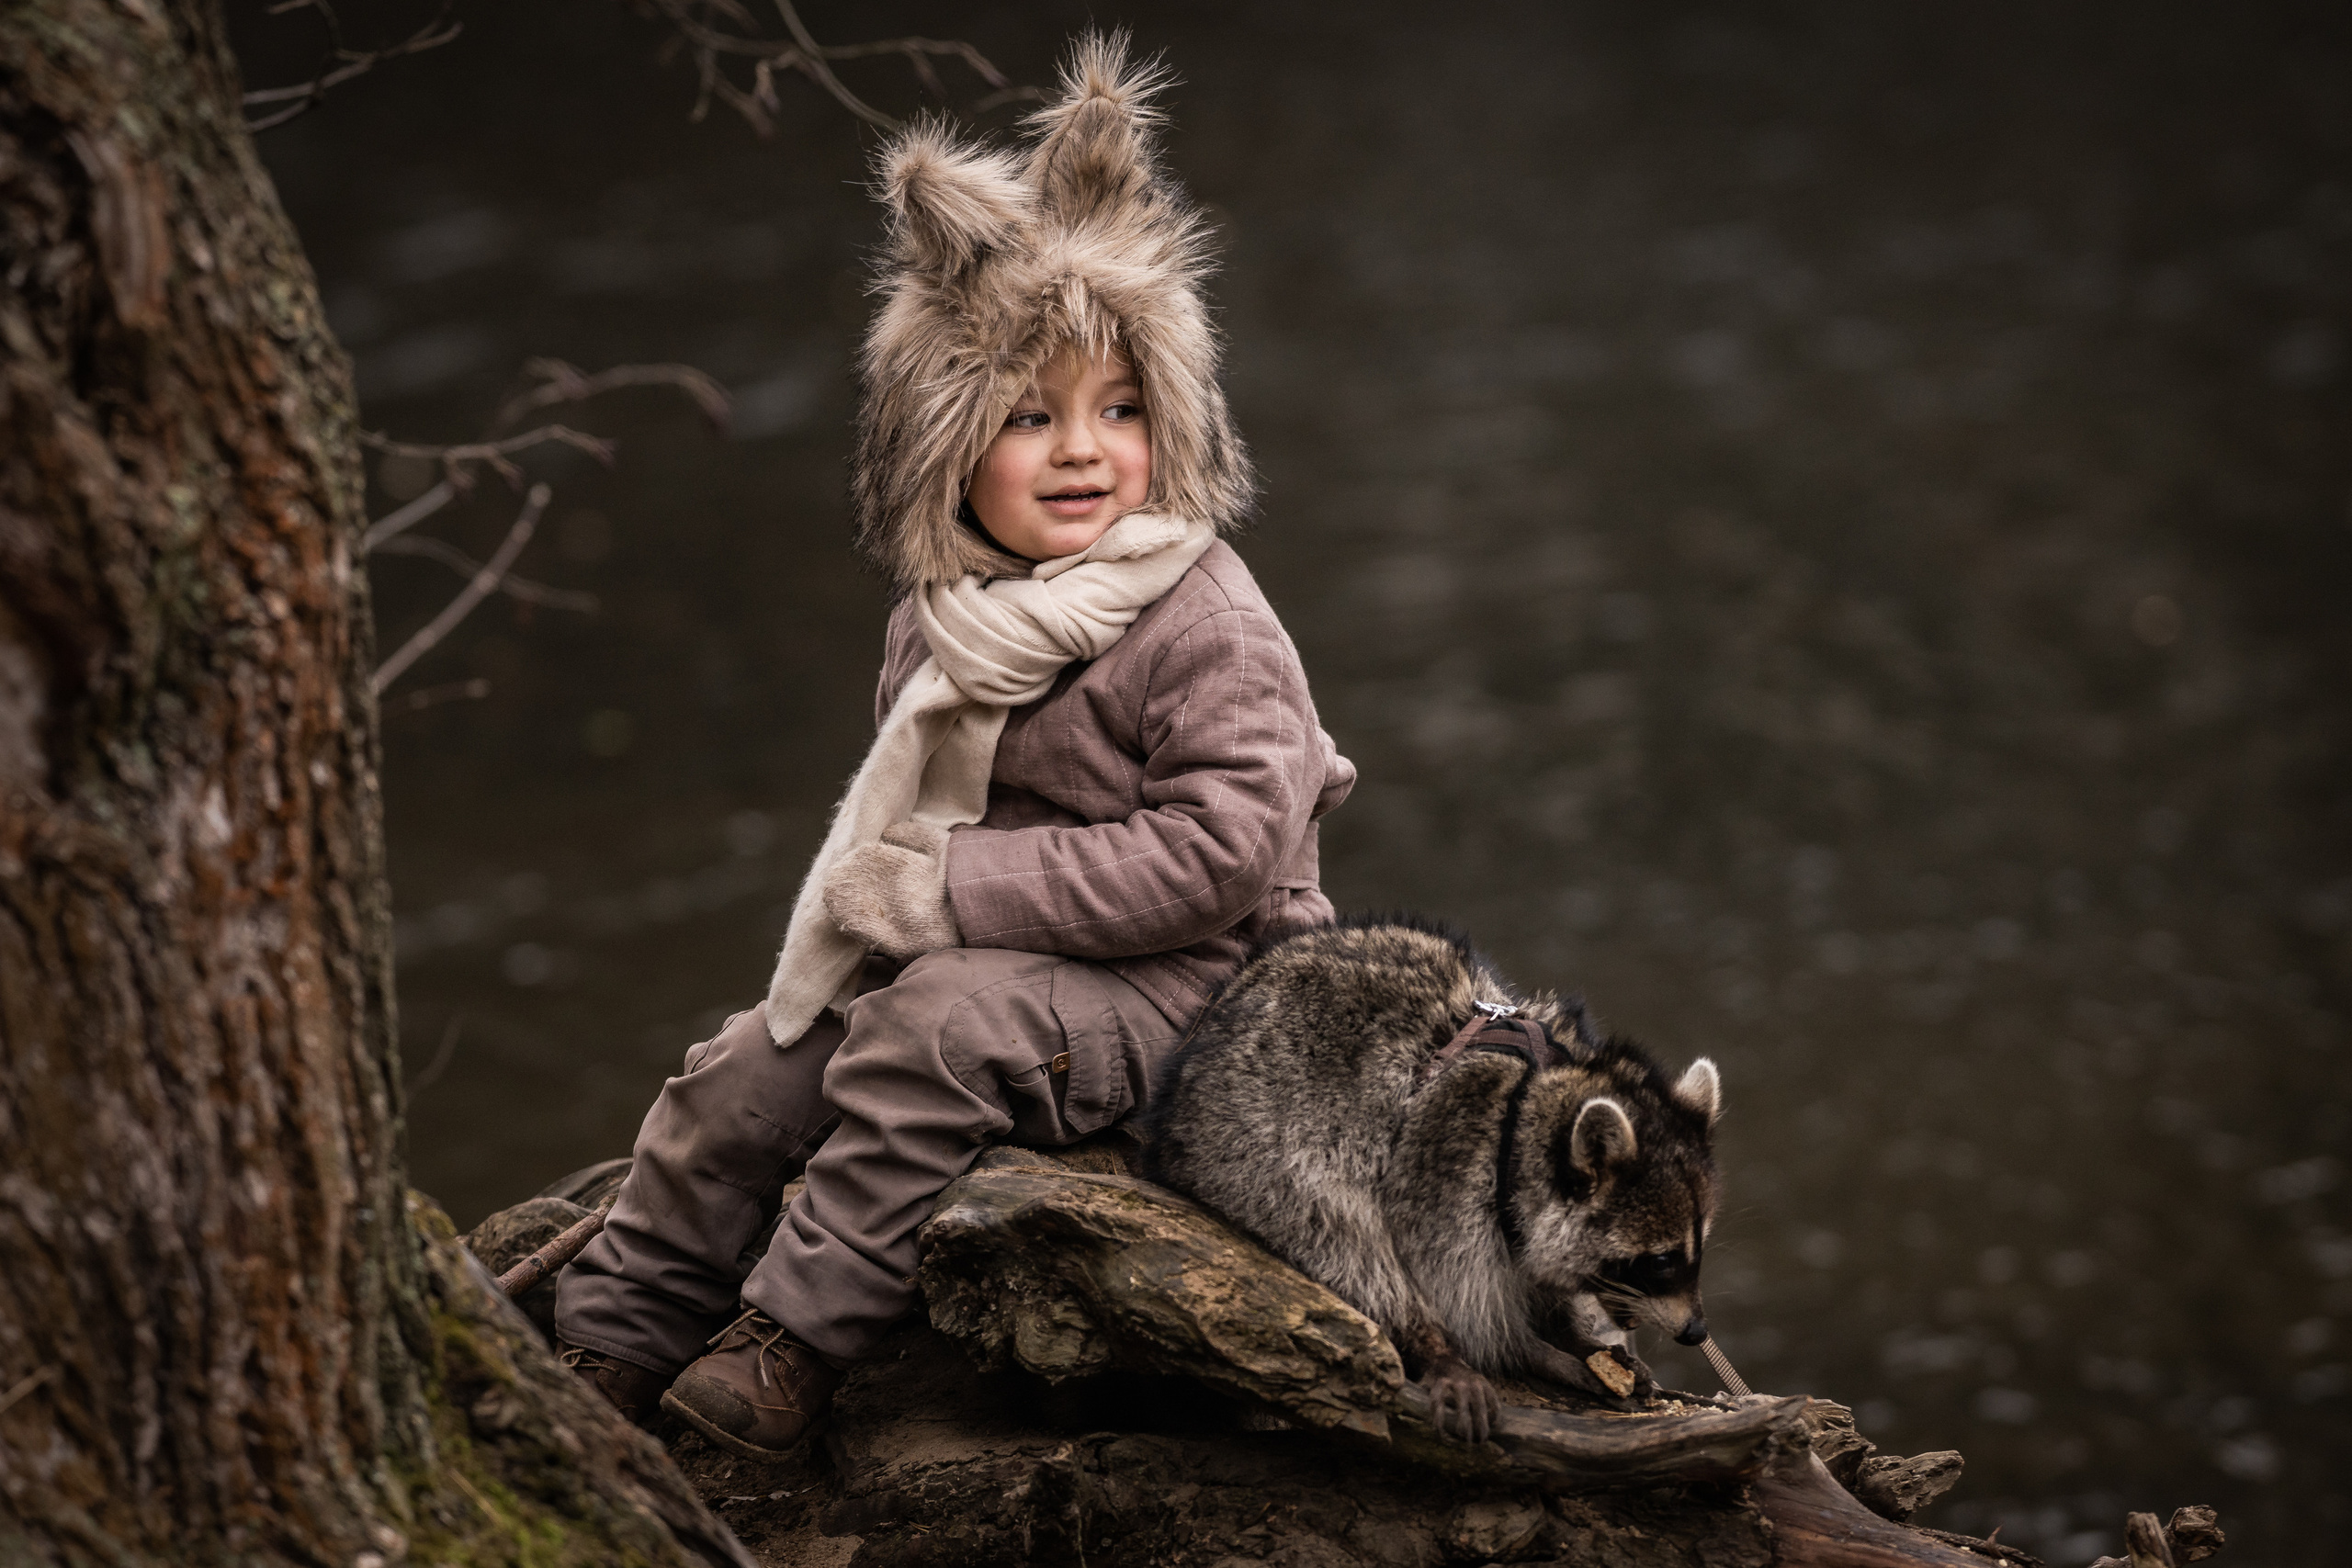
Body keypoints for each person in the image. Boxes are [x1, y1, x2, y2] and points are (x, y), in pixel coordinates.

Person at [552, 34, 1355, 1459]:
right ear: (943, 450)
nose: (1081, 451)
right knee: (749, 1062)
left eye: (1121, 411)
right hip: (995, 953)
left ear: (1172, 423)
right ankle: (614, 1334)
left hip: (1209, 979)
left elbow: (1223, 855)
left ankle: (793, 1344)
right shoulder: (949, 620)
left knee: (937, 1031)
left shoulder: (1205, 619)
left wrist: (949, 896)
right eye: (1026, 416)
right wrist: (909, 920)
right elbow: (909, 802)